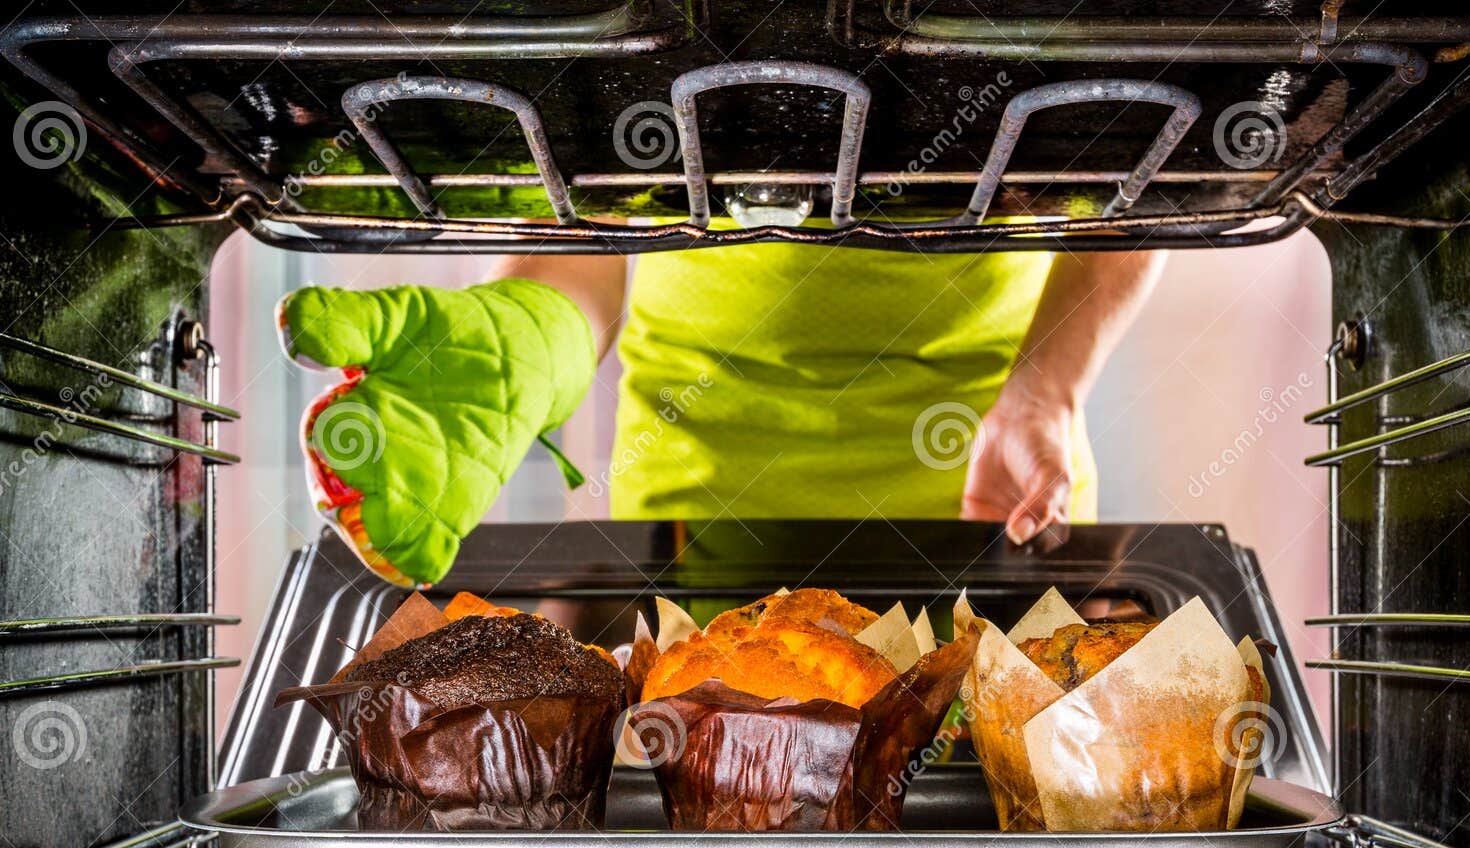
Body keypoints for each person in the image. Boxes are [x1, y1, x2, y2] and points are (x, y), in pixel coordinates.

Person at [281, 241, 1163, 587]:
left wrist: (1046, 385)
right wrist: (519, 344)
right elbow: (584, 248)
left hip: (994, 498)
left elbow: (1148, 167)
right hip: (692, 534)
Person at [494, 244, 1164, 544]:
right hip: (702, 501)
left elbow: (1141, 152)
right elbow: (575, 247)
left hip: (996, 479)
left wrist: (1044, 390)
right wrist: (510, 355)